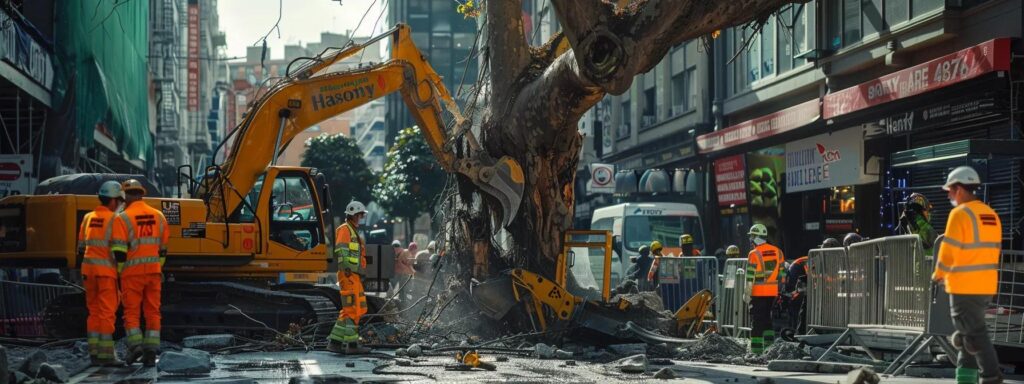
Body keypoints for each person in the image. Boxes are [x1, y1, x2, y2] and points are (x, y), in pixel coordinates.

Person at [932, 166, 1003, 384]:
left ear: (960, 189)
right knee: (968, 333)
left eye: (950, 190)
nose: (949, 195)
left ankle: (992, 377)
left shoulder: (960, 214)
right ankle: (965, 377)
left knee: (975, 335)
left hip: (964, 286)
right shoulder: (990, 214)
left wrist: (938, 274)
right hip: (985, 285)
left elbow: (949, 250)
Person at [112, 179, 169, 367]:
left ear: (125, 196)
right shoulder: (159, 216)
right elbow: (163, 250)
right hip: (153, 273)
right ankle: (151, 351)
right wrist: (157, 267)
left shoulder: (122, 218)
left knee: (131, 313)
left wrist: (120, 273)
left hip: (132, 273)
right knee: (153, 312)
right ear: (141, 193)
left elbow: (119, 252)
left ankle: (135, 346)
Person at [78, 181, 125, 366]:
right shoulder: (115, 219)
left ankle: (94, 353)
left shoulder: (88, 217)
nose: (121, 204)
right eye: (120, 200)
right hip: (106, 272)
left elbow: (81, 248)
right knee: (107, 312)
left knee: (94, 312)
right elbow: (120, 252)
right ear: (113, 201)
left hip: (88, 271)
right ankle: (107, 355)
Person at [327, 201, 371, 354]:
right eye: (360, 215)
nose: (361, 218)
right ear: (353, 215)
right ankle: (352, 345)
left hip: (354, 275)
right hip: (349, 275)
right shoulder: (345, 230)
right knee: (352, 308)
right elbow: (342, 252)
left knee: (353, 308)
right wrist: (350, 269)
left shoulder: (352, 231)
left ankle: (335, 342)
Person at [745, 223, 783, 354]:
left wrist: (747, 293)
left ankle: (755, 352)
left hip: (758, 293)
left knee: (757, 322)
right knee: (767, 321)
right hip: (772, 293)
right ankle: (769, 349)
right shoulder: (778, 251)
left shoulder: (754, 253)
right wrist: (780, 289)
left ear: (755, 237)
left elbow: (750, 277)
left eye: (751, 237)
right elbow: (782, 274)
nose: (750, 239)